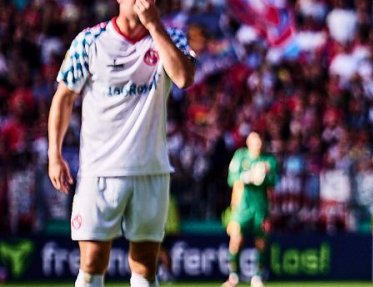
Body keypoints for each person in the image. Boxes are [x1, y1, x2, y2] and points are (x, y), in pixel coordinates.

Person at [46, 0, 195, 285]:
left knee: (144, 265)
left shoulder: (171, 37)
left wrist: (153, 25)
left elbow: (184, 78)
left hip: (150, 170)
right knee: (91, 261)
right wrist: (55, 153)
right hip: (99, 170)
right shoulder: (89, 41)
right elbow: (63, 98)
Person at [223, 132, 278, 287]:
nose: (257, 145)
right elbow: (231, 179)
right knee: (236, 239)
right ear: (248, 143)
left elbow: (273, 181)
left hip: (260, 208)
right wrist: (247, 176)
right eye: (254, 141)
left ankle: (257, 276)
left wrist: (263, 175)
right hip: (242, 207)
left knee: (260, 241)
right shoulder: (240, 156)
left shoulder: (269, 160)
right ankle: (233, 276)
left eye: (259, 142)